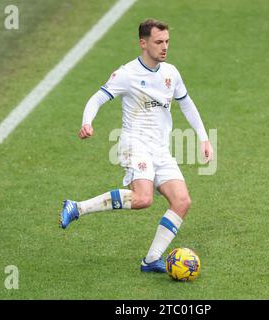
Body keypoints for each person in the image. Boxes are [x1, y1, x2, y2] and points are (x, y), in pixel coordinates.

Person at [59, 19, 213, 273]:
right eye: (158, 42)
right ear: (143, 43)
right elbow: (97, 98)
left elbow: (186, 103)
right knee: (143, 198)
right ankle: (77, 207)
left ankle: (151, 260)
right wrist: (87, 122)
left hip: (161, 149)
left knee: (182, 201)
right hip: (135, 143)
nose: (164, 47)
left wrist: (203, 137)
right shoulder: (127, 74)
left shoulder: (170, 73)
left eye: (167, 42)